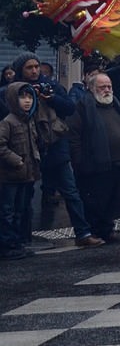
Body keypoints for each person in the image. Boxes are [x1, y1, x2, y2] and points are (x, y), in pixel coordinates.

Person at [6, 53, 98, 247]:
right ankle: (21, 239)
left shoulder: (51, 86)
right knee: (22, 198)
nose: (34, 71)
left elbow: (69, 108)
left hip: (55, 146)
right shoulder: (13, 90)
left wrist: (51, 98)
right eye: (29, 67)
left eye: (36, 66)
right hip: (27, 149)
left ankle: (83, 233)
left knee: (71, 192)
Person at [66, 71, 120, 243]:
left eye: (109, 86)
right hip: (94, 164)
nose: (107, 90)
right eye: (102, 87)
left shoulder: (115, 105)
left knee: (113, 199)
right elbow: (74, 136)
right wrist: (79, 161)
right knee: (96, 200)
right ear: (92, 89)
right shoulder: (83, 107)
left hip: (119, 162)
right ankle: (94, 231)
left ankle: (107, 230)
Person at [0, 83, 43, 259]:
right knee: (7, 212)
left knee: (20, 210)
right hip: (10, 176)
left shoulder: (29, 121)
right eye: (22, 97)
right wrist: (16, 160)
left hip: (26, 175)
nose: (27, 101)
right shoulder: (8, 122)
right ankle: (7, 245)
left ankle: (17, 243)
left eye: (30, 97)